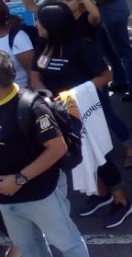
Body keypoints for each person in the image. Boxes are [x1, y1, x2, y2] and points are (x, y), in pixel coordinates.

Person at [31, 4, 132, 229]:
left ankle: (122, 201)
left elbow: (105, 76)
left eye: (40, 21)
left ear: (54, 25)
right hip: (57, 112)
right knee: (77, 157)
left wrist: (74, 95)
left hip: (83, 111)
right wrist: (46, 95)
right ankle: (101, 194)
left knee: (99, 156)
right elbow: (36, 75)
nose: (36, 25)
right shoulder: (43, 46)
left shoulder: (81, 47)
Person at [0, 51, 90, 257]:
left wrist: (19, 179)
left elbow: (58, 148)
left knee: (69, 244)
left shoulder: (32, 107)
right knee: (30, 249)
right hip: (6, 200)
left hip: (42, 193)